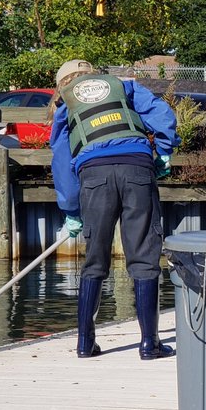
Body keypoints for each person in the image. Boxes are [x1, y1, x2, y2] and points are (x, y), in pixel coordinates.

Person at [49, 59, 177, 360]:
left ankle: (85, 343)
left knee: (95, 261)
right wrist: (165, 150)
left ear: (62, 84)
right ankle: (150, 344)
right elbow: (162, 114)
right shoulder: (124, 86)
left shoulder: (65, 106)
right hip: (137, 167)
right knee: (144, 257)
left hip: (93, 176)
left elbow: (61, 161)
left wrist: (71, 210)